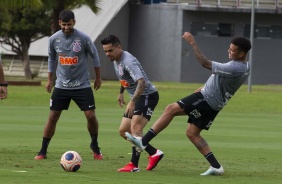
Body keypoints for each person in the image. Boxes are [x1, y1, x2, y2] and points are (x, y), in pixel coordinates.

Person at [126, 32, 251, 175]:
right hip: (214, 103)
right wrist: (206, 86)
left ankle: (143, 141)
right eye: (229, 48)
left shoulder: (236, 68)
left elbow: (205, 63)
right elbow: (222, 79)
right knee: (192, 133)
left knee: (170, 109)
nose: (228, 51)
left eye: (232, 50)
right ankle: (216, 166)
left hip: (206, 99)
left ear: (241, 54)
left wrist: (192, 43)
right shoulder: (246, 66)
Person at [34, 9, 103, 160]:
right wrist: (49, 79)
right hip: (61, 86)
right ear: (59, 23)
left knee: (91, 116)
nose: (66, 27)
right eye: (64, 24)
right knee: (53, 116)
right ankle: (43, 150)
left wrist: (98, 77)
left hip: (82, 85)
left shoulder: (83, 38)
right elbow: (52, 58)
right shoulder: (54, 39)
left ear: (74, 22)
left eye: (69, 24)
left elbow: (95, 55)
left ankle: (95, 145)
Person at [101, 35, 163, 172]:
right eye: (105, 51)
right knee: (124, 131)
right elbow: (124, 77)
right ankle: (154, 153)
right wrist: (121, 92)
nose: (107, 54)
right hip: (136, 97)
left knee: (135, 129)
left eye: (110, 50)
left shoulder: (128, 61)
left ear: (119, 47)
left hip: (147, 95)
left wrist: (132, 102)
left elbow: (142, 82)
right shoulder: (115, 59)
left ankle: (133, 165)